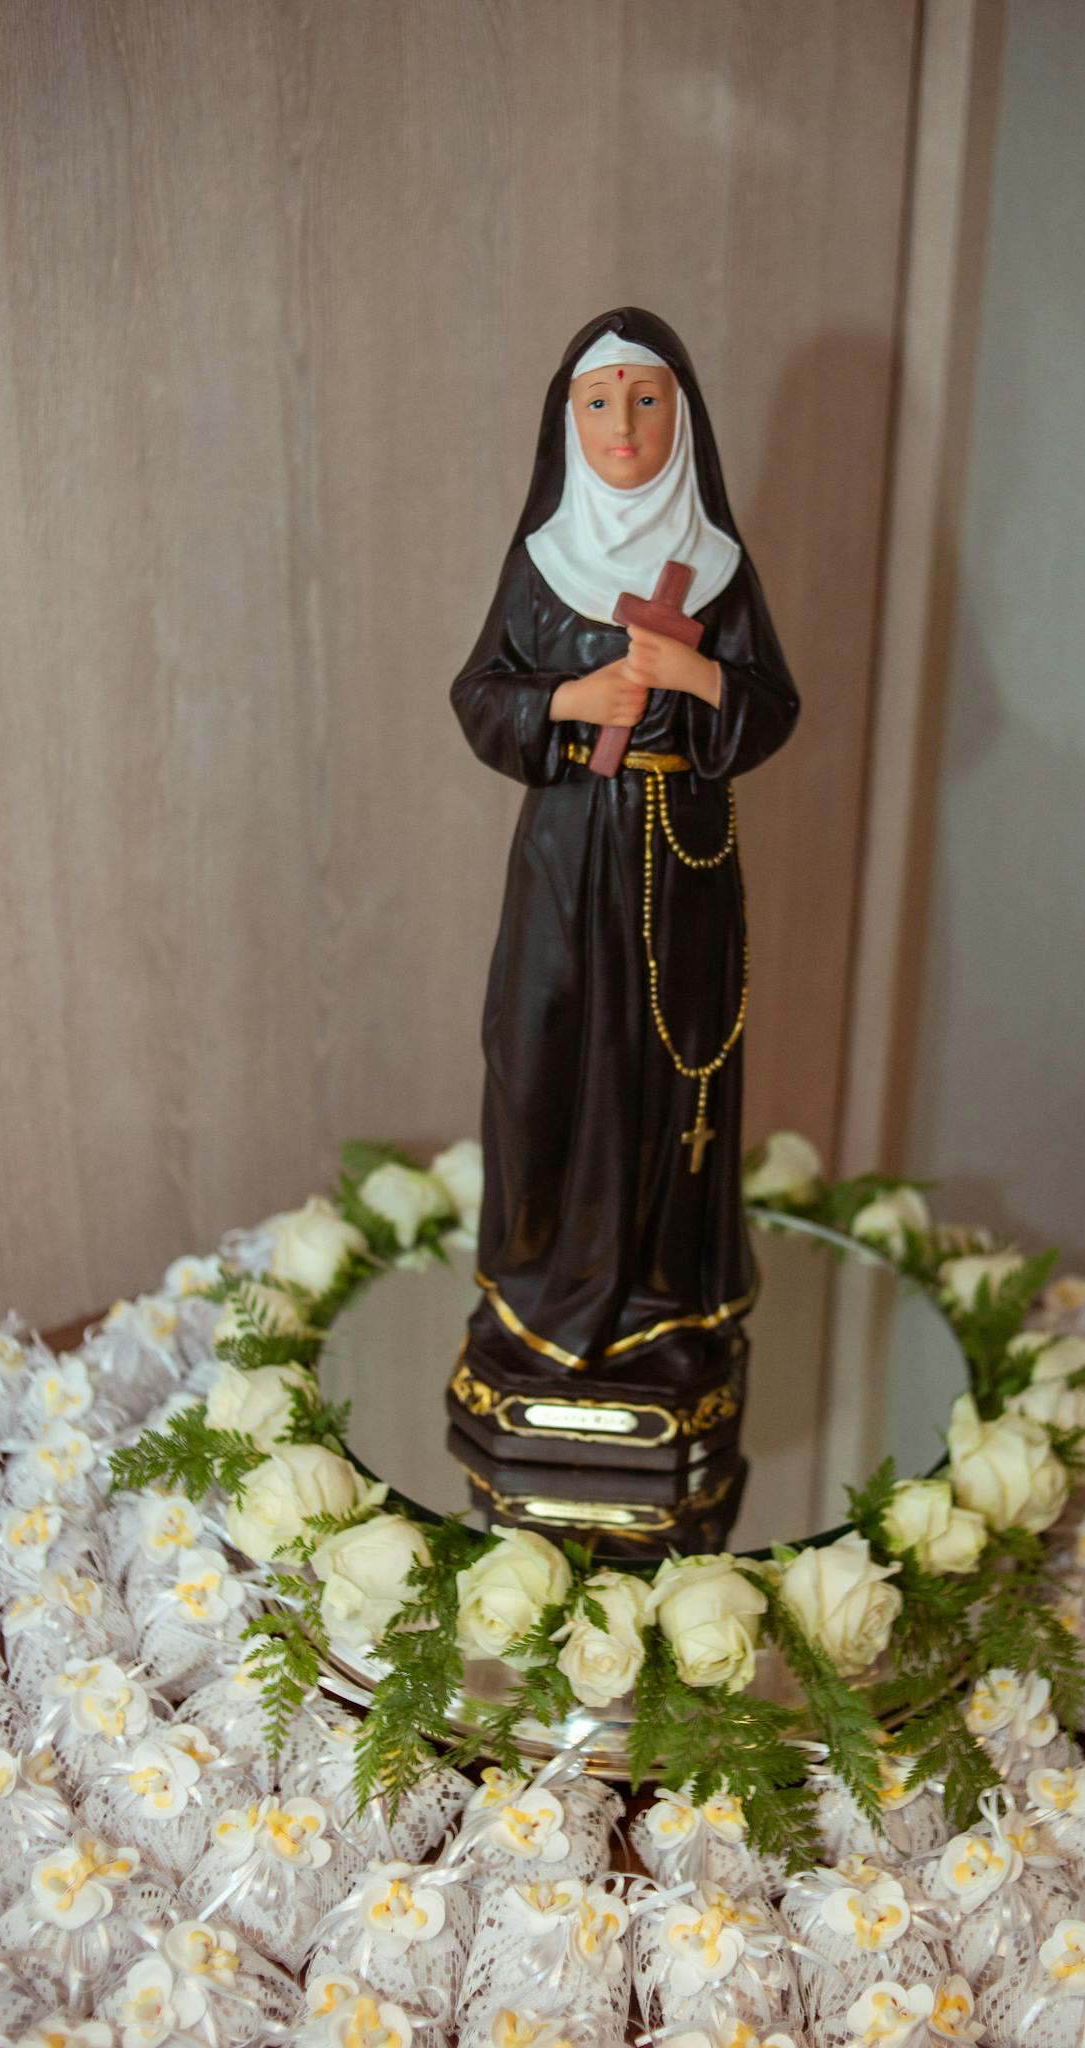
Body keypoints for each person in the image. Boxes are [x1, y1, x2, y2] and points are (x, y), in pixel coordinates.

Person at [448, 305, 799, 1445]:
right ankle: (538, 1294)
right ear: (568, 421)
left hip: (682, 858)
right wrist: (567, 698)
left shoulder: (716, 569)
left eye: (647, 401)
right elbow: (479, 694)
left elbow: (773, 706)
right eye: (600, 402)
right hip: (565, 853)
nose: (624, 426)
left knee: (665, 1077)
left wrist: (698, 680)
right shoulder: (543, 561)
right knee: (541, 1054)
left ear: (682, 418)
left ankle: (658, 1305)